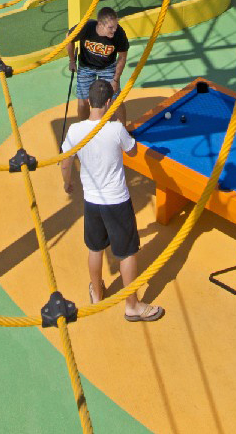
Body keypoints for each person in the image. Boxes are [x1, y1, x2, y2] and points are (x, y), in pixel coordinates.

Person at [59, 78, 165, 323]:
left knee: (95, 248)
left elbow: (65, 162)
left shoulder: (75, 131)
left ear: (88, 101)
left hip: (91, 201)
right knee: (127, 253)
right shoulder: (116, 129)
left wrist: (67, 183)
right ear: (108, 103)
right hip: (117, 200)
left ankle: (97, 294)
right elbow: (133, 151)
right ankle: (132, 306)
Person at [68, 6, 129, 121]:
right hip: (86, 66)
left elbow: (122, 57)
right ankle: (85, 131)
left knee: (115, 100)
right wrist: (72, 61)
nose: (114, 30)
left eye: (116, 25)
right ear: (100, 24)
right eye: (111, 27)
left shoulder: (119, 33)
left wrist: (115, 80)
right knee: (83, 102)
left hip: (108, 67)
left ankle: (123, 132)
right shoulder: (86, 28)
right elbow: (68, 38)